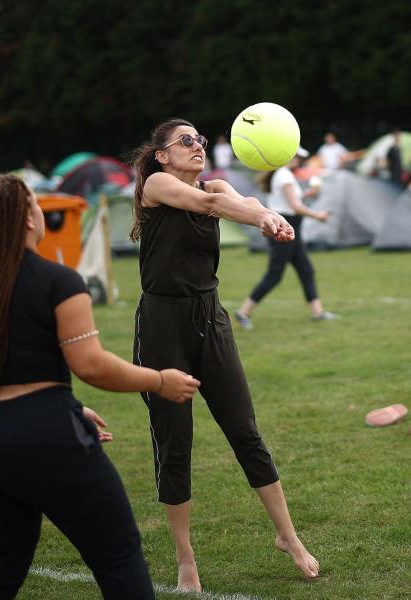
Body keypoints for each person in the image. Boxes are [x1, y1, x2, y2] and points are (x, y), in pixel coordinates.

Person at [0, 174, 200, 599]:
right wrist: (160, 380)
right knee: (119, 558)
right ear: (26, 220)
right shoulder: (59, 281)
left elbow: (4, 370)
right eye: (35, 204)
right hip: (45, 438)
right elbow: (91, 365)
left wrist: (69, 408)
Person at [130, 118, 320, 590]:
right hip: (161, 327)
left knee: (245, 431)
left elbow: (237, 199)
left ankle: (289, 537)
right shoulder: (157, 185)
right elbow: (210, 204)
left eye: (200, 140)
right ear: (161, 155)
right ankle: (185, 559)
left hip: (210, 320)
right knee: (175, 443)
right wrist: (259, 218)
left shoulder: (215, 183)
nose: (198, 146)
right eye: (185, 141)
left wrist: (267, 213)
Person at [235, 147, 338, 327]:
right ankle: (244, 312)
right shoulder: (285, 175)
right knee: (274, 275)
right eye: (296, 156)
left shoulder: (282, 174)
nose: (298, 159)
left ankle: (317, 312)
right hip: (284, 227)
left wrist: (307, 194)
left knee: (306, 269)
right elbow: (295, 207)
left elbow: (290, 201)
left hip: (288, 226)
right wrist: (318, 216)